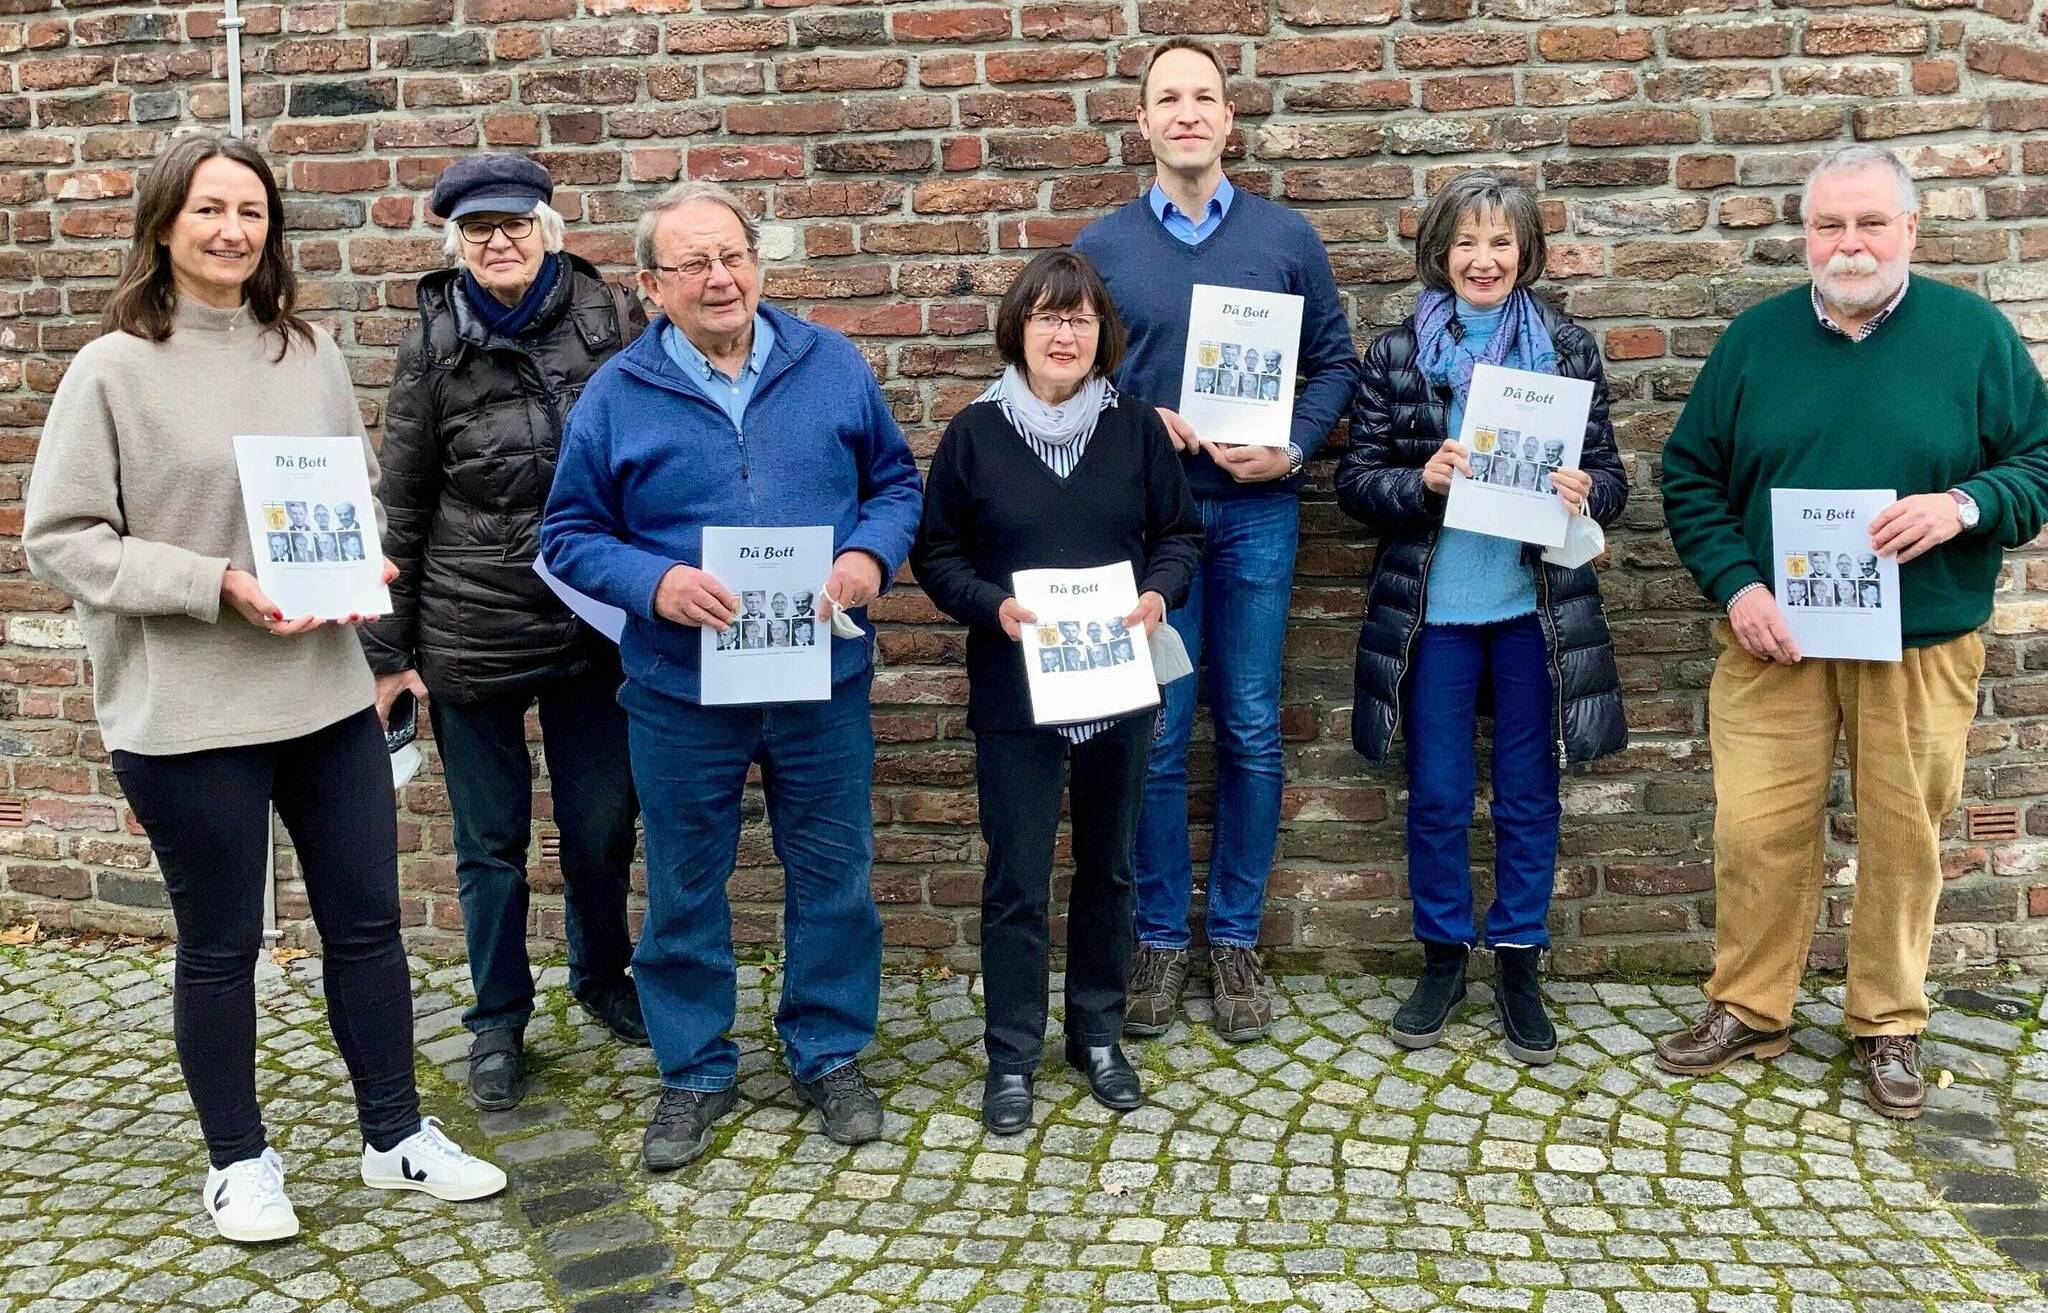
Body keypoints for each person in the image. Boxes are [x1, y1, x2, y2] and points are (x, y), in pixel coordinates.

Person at [22, 132, 503, 1245]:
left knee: (369, 927)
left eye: (252, 211)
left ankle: (395, 1136)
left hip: (323, 695)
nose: (234, 229)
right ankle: (239, 1162)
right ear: (162, 226)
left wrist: (362, 567)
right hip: (185, 710)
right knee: (221, 943)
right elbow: (64, 538)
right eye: (209, 210)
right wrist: (213, 584)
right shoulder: (111, 370)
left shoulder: (307, 352)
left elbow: (351, 498)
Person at [1655, 145, 2048, 1119]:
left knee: (1901, 835)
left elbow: (2037, 463)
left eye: (1869, 222)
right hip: (1772, 639)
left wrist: (1962, 504)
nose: (1848, 242)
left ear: (1909, 229)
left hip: (1920, 641)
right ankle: (1747, 1006)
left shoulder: (1971, 337)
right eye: (1828, 224)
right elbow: (1689, 475)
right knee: (1753, 827)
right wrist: (1735, 583)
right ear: (1803, 234)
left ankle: (1886, 1022)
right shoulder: (1754, 341)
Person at [541, 180, 922, 1170]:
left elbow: (893, 484)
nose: (720, 277)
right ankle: (694, 1070)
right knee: (682, 885)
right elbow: (570, 534)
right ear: (648, 284)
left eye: (734, 255)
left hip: (820, 679)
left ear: (757, 261)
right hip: (679, 691)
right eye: (693, 263)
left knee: (834, 876)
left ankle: (828, 1050)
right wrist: (654, 580)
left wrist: (867, 560)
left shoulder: (829, 364)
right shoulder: (616, 395)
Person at [1073, 37, 1358, 1043]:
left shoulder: (1283, 238)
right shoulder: (1100, 249)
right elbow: (1067, 371)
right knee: (1149, 730)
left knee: (1244, 721)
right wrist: (1129, 419)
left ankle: (1230, 937)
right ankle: (1156, 935)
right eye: (1167, 98)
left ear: (1229, 120)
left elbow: (1333, 363)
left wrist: (1290, 446)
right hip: (1150, 526)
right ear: (1141, 123)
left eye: (1204, 97)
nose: (1186, 113)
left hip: (1256, 516)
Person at [358, 155, 651, 1113]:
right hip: (471, 623)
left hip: (589, 615)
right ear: (456, 244)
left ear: (548, 229)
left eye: (515, 223)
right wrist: (388, 656)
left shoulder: (610, 322)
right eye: (477, 230)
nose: (498, 242)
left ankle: (604, 976)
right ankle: (496, 1019)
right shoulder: (431, 343)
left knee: (603, 825)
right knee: (491, 843)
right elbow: (400, 501)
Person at [1337, 171, 1629, 1065]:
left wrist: (1588, 493)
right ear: (1439, 251)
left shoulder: (1568, 350)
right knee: (1435, 795)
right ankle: (1440, 954)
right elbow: (1355, 484)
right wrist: (1419, 481)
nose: (1483, 258)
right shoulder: (1395, 355)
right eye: (1466, 241)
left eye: (1501, 242)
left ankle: (1518, 957)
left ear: (1526, 253)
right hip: (1434, 616)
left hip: (1532, 612)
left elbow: (1613, 482)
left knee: (1530, 795)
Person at [910, 251, 1202, 1133]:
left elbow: (1181, 535)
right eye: (1047, 318)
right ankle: (1011, 1052)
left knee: (1108, 869)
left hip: (1119, 686)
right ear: (1019, 330)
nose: (1064, 334)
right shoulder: (973, 434)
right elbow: (936, 555)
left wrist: (1160, 592)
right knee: (1018, 878)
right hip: (1016, 696)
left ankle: (1097, 1032)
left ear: (1101, 334)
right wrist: (992, 606)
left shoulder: (1137, 431)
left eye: (1079, 319)